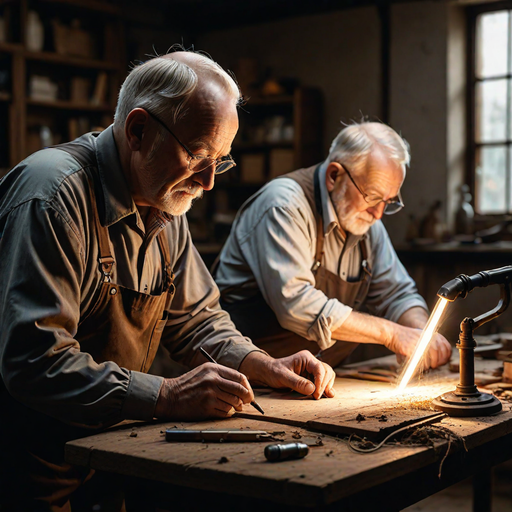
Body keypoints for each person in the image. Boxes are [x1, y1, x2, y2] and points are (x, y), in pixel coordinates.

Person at [0, 50, 336, 511]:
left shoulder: (164, 199)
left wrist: (262, 364)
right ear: (138, 131)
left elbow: (197, 320)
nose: (209, 182)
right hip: (29, 456)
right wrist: (166, 394)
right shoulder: (52, 196)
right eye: (199, 155)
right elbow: (33, 361)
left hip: (109, 443)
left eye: (221, 160)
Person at [215, 122, 452, 369]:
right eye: (372, 196)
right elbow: (296, 304)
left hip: (312, 381)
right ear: (334, 175)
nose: (379, 213)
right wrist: (393, 334)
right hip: (245, 378)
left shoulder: (366, 221)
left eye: (388, 200)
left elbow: (396, 293)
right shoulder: (283, 206)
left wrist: (419, 334)